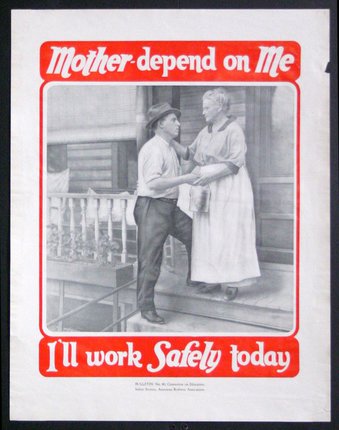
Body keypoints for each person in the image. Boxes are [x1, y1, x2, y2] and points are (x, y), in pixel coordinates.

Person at [173, 88, 260, 300]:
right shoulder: (205, 132)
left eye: (207, 107)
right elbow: (190, 153)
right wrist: (167, 139)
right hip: (207, 187)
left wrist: (209, 177)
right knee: (206, 234)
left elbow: (234, 164)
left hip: (230, 187)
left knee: (228, 233)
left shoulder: (233, 130)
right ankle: (211, 278)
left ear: (220, 107)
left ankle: (232, 282)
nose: (203, 112)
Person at [133, 102, 199, 324]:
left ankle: (195, 279)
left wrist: (183, 154)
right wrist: (185, 179)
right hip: (152, 207)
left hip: (169, 206)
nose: (178, 123)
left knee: (195, 235)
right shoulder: (153, 149)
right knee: (150, 259)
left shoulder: (169, 146)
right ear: (161, 124)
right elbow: (153, 184)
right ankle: (146, 307)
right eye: (173, 120)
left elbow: (189, 155)